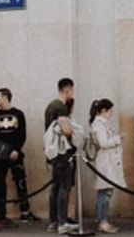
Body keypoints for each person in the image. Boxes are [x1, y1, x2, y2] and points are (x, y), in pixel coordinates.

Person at [0, 88, 38, 226]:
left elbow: (21, 134)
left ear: (5, 97)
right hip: (0, 155)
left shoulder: (18, 114)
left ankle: (25, 211)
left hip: (15, 154)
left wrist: (16, 149)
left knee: (20, 182)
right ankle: (1, 214)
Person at [44, 78, 77, 234]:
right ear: (67, 90)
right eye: (72, 91)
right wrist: (74, 131)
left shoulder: (50, 106)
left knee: (55, 187)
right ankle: (62, 222)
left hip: (53, 153)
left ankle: (54, 221)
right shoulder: (61, 107)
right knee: (64, 187)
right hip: (63, 153)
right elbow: (66, 130)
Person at [89, 99, 122, 234]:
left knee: (105, 191)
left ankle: (101, 219)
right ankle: (103, 220)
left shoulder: (100, 124)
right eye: (110, 111)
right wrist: (118, 139)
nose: (111, 114)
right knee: (104, 192)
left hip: (107, 161)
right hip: (105, 162)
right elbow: (103, 143)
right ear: (104, 110)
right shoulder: (99, 125)